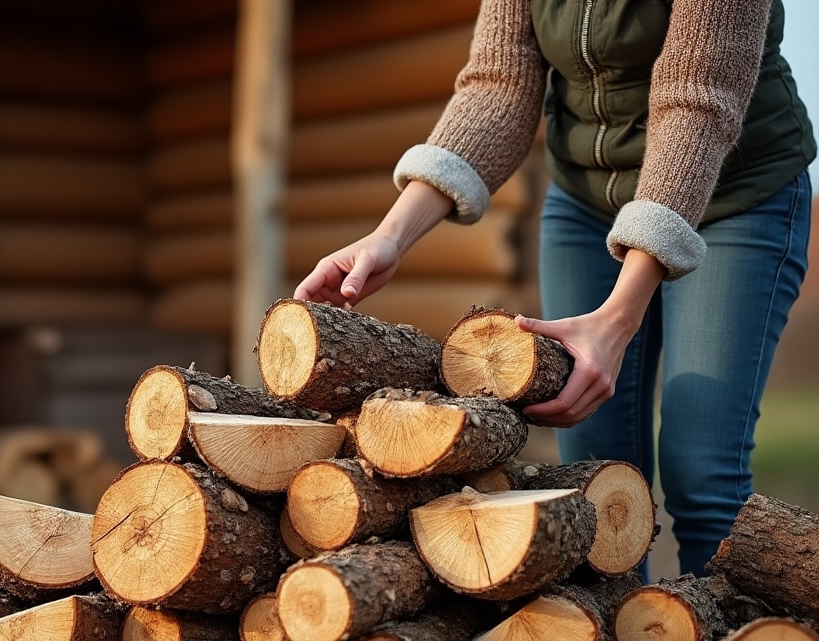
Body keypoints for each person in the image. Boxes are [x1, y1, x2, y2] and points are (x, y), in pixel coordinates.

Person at [295, 0, 814, 577]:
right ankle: (620, 633)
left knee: (700, 470)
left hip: (733, 195)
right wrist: (390, 236)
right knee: (594, 470)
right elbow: (498, 87)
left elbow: (697, 102)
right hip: (587, 200)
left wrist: (617, 319)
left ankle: (721, 633)